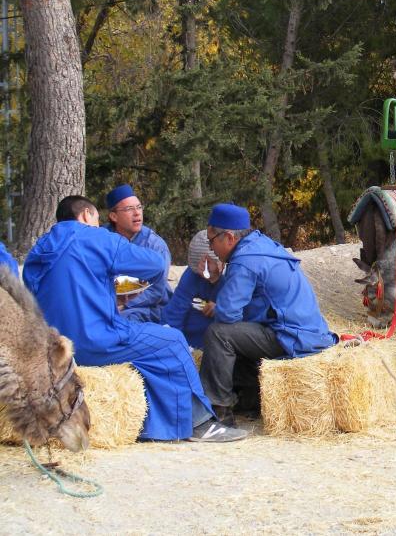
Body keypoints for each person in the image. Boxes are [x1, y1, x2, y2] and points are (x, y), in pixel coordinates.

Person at [23, 195, 246, 443]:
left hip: (57, 353)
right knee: (172, 341)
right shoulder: (97, 238)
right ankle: (199, 423)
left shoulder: (38, 250)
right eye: (96, 219)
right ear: (86, 215)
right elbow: (155, 264)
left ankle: (148, 424)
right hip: (97, 341)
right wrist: (118, 281)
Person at [199, 203, 338, 423]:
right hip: (309, 332)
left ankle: (217, 412)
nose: (211, 247)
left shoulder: (244, 260)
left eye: (212, 240)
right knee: (236, 336)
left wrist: (218, 297)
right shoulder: (261, 244)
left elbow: (227, 314)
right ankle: (250, 399)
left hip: (291, 337)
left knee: (219, 334)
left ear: (229, 237)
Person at [105, 184, 172, 323]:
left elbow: (156, 291)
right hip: (109, 300)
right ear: (113, 216)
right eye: (129, 209)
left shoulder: (155, 245)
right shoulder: (102, 238)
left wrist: (124, 305)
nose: (137, 213)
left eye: (139, 207)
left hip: (148, 306)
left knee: (119, 320)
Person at [162, 230, 222, 349]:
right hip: (191, 340)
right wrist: (171, 343)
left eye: (206, 269)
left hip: (221, 336)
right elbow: (175, 312)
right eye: (198, 270)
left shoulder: (234, 274)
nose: (203, 274)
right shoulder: (191, 276)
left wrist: (222, 307)